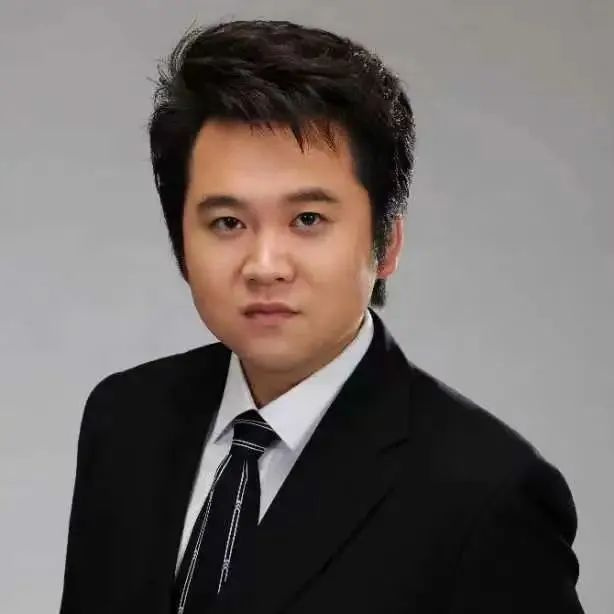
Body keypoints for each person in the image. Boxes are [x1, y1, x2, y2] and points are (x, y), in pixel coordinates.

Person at [59, 19, 584, 614]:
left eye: (307, 219)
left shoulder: (487, 493)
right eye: (227, 222)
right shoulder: (126, 420)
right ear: (181, 241)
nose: (264, 266)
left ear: (386, 244)